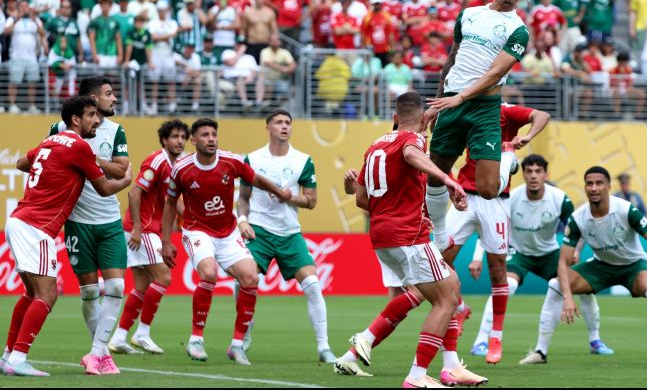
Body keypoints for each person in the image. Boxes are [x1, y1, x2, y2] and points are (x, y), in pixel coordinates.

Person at [341, 92, 487, 387]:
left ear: (395, 117)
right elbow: (411, 153)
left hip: (382, 234)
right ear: (423, 119)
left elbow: (361, 199)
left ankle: (451, 366)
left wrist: (400, 212)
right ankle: (417, 376)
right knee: (446, 300)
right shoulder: (414, 141)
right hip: (407, 235)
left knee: (450, 286)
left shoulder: (374, 147)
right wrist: (447, 179)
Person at [1, 96, 132, 378]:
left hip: (19, 221)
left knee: (31, 293)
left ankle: (9, 356)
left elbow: (23, 162)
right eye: (91, 115)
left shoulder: (51, 141)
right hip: (38, 227)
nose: (97, 121)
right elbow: (105, 189)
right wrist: (126, 180)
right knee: (48, 293)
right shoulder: (79, 146)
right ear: (76, 119)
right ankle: (20, 357)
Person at [519, 166, 647, 367]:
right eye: (589, 183)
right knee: (556, 285)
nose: (594, 188)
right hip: (601, 267)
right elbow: (562, 262)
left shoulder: (625, 209)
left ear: (608, 186)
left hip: (632, 266)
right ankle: (540, 352)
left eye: (599, 183)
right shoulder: (578, 218)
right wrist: (567, 297)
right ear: (585, 187)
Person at [420, 0, 530, 258]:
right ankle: (441, 236)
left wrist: (462, 97)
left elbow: (495, 74)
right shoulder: (469, 15)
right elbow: (452, 57)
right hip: (451, 101)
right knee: (434, 174)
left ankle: (507, 159)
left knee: (487, 189)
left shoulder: (518, 30)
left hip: (483, 107)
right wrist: (439, 100)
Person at [161, 118, 291, 366]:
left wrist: (277, 190)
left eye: (214, 134)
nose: (211, 139)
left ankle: (237, 344)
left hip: (228, 231)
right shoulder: (181, 169)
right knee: (208, 273)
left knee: (251, 278)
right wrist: (166, 241)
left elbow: (255, 178)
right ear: (194, 140)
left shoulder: (231, 162)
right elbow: (169, 204)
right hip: (197, 230)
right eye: (205, 135)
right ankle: (196, 339)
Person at [467, 154, 613, 361]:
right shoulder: (511, 198)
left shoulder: (559, 199)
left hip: (549, 254)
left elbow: (578, 226)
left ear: (546, 174)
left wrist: (577, 250)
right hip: (519, 253)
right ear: (523, 174)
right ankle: (481, 341)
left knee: (584, 288)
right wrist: (476, 257)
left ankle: (595, 341)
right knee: (505, 286)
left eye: (538, 171)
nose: (534, 176)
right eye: (529, 171)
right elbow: (489, 228)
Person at [442, 104, 551, 364]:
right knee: (438, 260)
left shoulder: (505, 111)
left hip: (497, 201)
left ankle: (496, 336)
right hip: (465, 195)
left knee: (499, 269)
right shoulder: (465, 110)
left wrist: (528, 135)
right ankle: (460, 308)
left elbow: (542, 115)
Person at [236, 110, 335, 363]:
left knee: (313, 286)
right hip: (259, 230)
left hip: (290, 233)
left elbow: (311, 201)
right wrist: (243, 220)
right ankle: (243, 335)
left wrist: (292, 197)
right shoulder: (253, 159)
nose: (284, 126)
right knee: (243, 282)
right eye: (278, 122)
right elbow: (243, 198)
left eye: (288, 123)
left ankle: (324, 348)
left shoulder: (303, 160)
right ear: (267, 127)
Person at [47, 77, 130, 375]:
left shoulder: (116, 130)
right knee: (90, 292)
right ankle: (103, 355)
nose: (114, 99)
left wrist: (89, 158)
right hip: (78, 222)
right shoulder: (59, 129)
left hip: (109, 219)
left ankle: (95, 353)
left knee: (118, 285)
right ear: (91, 99)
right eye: (108, 94)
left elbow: (121, 168)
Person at [109, 120, 190, 355]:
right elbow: (135, 191)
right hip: (142, 231)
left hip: (148, 231)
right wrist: (136, 227)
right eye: (174, 136)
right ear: (165, 140)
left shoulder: (175, 166)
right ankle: (142, 333)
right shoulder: (157, 160)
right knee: (163, 277)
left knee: (143, 285)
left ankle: (119, 337)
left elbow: (173, 204)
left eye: (183, 137)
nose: (179, 141)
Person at [4, 0, 47, 114]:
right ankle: (12, 106)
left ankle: (32, 106)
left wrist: (34, 20)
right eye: (21, 6)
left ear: (29, 8)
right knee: (13, 82)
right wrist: (17, 18)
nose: (24, 8)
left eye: (26, 6)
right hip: (16, 57)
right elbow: (6, 32)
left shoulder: (36, 20)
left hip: (32, 57)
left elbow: (43, 33)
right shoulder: (12, 19)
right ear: (18, 8)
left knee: (32, 83)